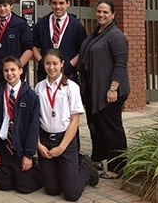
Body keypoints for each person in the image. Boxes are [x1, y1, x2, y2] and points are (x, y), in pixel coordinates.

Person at [35, 49, 99, 201]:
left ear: (62, 64)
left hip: (65, 140)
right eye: (48, 63)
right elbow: (34, 120)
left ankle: (85, 166)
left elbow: (75, 120)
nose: (51, 67)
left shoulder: (71, 87)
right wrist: (38, 144)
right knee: (51, 190)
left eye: (55, 63)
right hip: (45, 140)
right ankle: (61, 171)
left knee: (71, 194)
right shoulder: (39, 88)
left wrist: (61, 147)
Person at [78, 0, 130, 179]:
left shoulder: (116, 36)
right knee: (97, 127)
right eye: (99, 11)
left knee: (112, 129)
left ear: (113, 15)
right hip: (95, 90)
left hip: (110, 91)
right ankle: (98, 158)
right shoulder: (97, 33)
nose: (101, 15)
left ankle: (118, 167)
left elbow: (121, 64)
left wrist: (113, 88)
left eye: (105, 12)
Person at [0, 55, 42, 194]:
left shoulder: (31, 96)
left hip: (21, 148)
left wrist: (29, 155)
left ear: (20, 70)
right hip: (4, 147)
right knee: (4, 186)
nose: (10, 73)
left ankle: (40, 170)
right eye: (6, 70)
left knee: (24, 188)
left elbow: (33, 126)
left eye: (13, 70)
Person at [32, 0, 87, 83]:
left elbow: (83, 49)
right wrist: (41, 61)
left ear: (68, 4)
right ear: (50, 4)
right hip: (45, 75)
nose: (57, 7)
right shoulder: (42, 23)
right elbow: (33, 44)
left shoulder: (76, 25)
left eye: (61, 3)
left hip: (68, 75)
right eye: (54, 3)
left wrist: (70, 64)